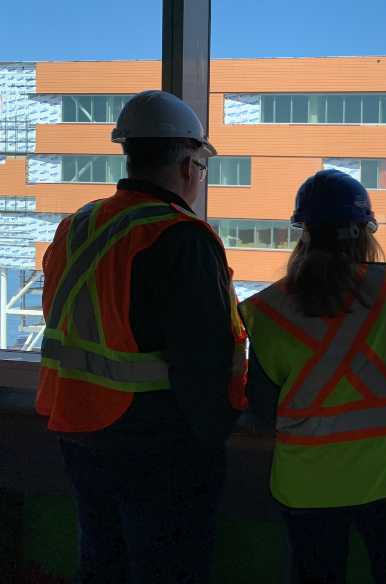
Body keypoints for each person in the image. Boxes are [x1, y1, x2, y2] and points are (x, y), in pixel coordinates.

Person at [36, 90, 248, 583]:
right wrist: (215, 433)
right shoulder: (180, 236)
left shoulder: (78, 224)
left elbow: (63, 315)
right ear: (190, 165)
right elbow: (206, 359)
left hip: (80, 429)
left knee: (102, 565)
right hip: (158, 449)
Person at [238, 169, 386, 584]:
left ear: (302, 232)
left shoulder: (264, 309)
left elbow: (264, 408)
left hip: (310, 482)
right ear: (365, 231)